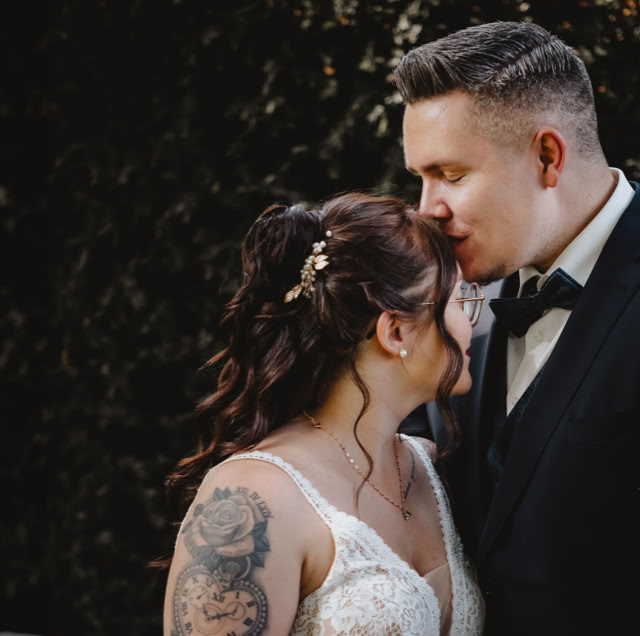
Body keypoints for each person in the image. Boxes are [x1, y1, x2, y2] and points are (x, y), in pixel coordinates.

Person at [394, 21, 640, 636]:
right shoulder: (447, 303)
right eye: (419, 178)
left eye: (451, 175)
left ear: (547, 157)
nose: (427, 209)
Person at [162, 193, 485, 634]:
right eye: (460, 300)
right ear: (394, 331)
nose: (473, 323)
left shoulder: (433, 468)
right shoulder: (253, 498)